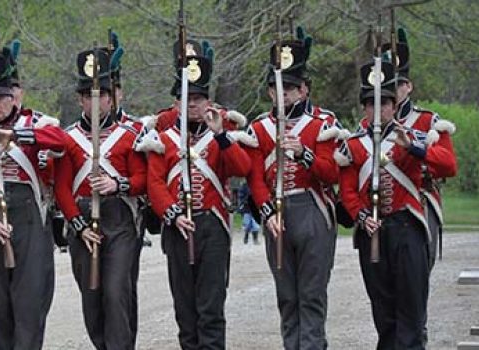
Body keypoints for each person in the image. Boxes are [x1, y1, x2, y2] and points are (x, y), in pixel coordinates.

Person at [336, 60, 456, 349]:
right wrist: (362, 216)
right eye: (370, 104)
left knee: (411, 310)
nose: (378, 110)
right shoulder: (353, 145)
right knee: (383, 313)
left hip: (407, 228)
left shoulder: (412, 136)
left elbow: (448, 165)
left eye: (385, 103)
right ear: (364, 108)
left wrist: (413, 147)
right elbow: (348, 191)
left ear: (394, 105)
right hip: (373, 232)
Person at [143, 39, 252, 349]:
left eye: (198, 99)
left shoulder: (223, 137)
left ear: (209, 103)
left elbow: (242, 168)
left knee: (211, 308)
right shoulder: (162, 138)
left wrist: (220, 135)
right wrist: (172, 214)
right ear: (176, 103)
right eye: (185, 99)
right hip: (178, 227)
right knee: (185, 310)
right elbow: (155, 183)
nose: (191, 105)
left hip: (212, 227)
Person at [241, 34, 341, 349]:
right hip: (276, 215)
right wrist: (267, 210)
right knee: (287, 294)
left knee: (311, 293)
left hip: (312, 208)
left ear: (303, 90)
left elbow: (331, 173)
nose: (282, 95)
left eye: (289, 89)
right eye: (277, 89)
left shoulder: (323, 123)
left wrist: (304, 154)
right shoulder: (259, 128)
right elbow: (255, 177)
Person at [0, 50, 64, 350]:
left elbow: (61, 143)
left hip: (29, 213)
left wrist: (20, 136)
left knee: (30, 300)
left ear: (13, 97)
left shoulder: (36, 124)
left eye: (2, 97)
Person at [53, 47, 147, 350]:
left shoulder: (130, 134)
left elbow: (141, 180)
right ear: (81, 100)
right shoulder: (68, 138)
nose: (96, 101)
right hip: (83, 223)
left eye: (102, 95)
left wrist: (117, 184)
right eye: (89, 96)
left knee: (117, 290)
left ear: (111, 98)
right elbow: (62, 189)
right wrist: (78, 226)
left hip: (119, 222)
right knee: (91, 296)